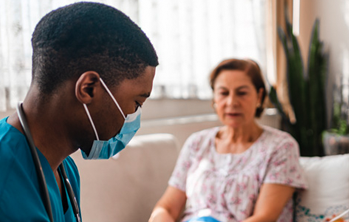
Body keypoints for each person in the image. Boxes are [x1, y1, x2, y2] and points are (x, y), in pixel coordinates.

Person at [0, 2, 158, 221]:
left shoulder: (66, 170)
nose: (134, 118)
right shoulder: (5, 179)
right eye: (137, 103)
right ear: (88, 88)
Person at [149, 58, 307, 222]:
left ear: (259, 96)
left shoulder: (281, 147)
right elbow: (166, 208)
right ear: (215, 98)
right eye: (223, 93)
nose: (231, 102)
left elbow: (264, 217)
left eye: (242, 93)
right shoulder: (196, 143)